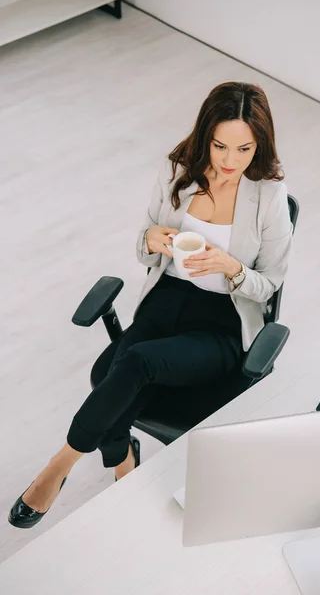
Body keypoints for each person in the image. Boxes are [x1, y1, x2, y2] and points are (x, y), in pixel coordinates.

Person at [8, 81, 293, 529]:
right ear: (205, 136)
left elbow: (269, 285)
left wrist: (231, 266)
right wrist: (151, 239)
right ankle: (124, 466)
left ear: (259, 145)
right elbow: (145, 247)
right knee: (107, 375)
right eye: (220, 146)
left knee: (130, 365)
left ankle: (59, 464)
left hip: (221, 323)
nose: (229, 161)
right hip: (166, 301)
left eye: (244, 149)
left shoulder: (269, 197)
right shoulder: (177, 170)